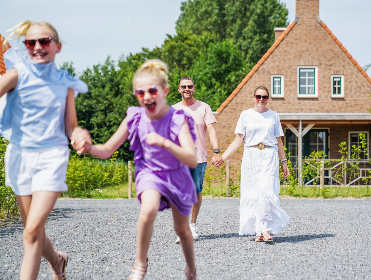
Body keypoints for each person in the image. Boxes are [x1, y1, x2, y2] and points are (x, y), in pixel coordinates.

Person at [73, 59, 198, 279]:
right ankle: (140, 263)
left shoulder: (177, 119)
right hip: (149, 172)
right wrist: (89, 147)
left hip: (177, 175)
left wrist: (164, 142)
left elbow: (192, 160)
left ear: (165, 91)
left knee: (183, 231)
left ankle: (191, 268)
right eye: (141, 93)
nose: (147, 97)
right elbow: (107, 150)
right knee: (147, 209)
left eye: (152, 91)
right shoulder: (135, 117)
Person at [0, 21, 91, 279]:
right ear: (26, 47)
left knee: (30, 233)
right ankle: (57, 261)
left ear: (57, 46)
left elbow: (71, 126)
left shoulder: (66, 84)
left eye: (44, 41)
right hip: (19, 156)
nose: (38, 47)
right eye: (31, 42)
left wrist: (80, 135)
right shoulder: (17, 74)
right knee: (33, 230)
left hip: (52, 157)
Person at [214, 86, 290, 242]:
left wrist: (284, 163)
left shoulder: (273, 116)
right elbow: (238, 140)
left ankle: (265, 229)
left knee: (267, 191)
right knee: (254, 193)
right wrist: (223, 157)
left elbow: (279, 142)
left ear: (268, 98)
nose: (261, 99)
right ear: (253, 97)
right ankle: (259, 230)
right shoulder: (245, 115)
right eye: (258, 96)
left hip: (269, 155)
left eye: (264, 97)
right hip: (251, 156)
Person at [173, 76, 222, 242]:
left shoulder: (204, 107)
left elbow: (212, 131)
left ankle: (193, 224)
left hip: (199, 157)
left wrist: (216, 151)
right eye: (184, 86)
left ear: (194, 88)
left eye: (190, 86)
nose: (187, 89)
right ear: (179, 89)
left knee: (196, 191)